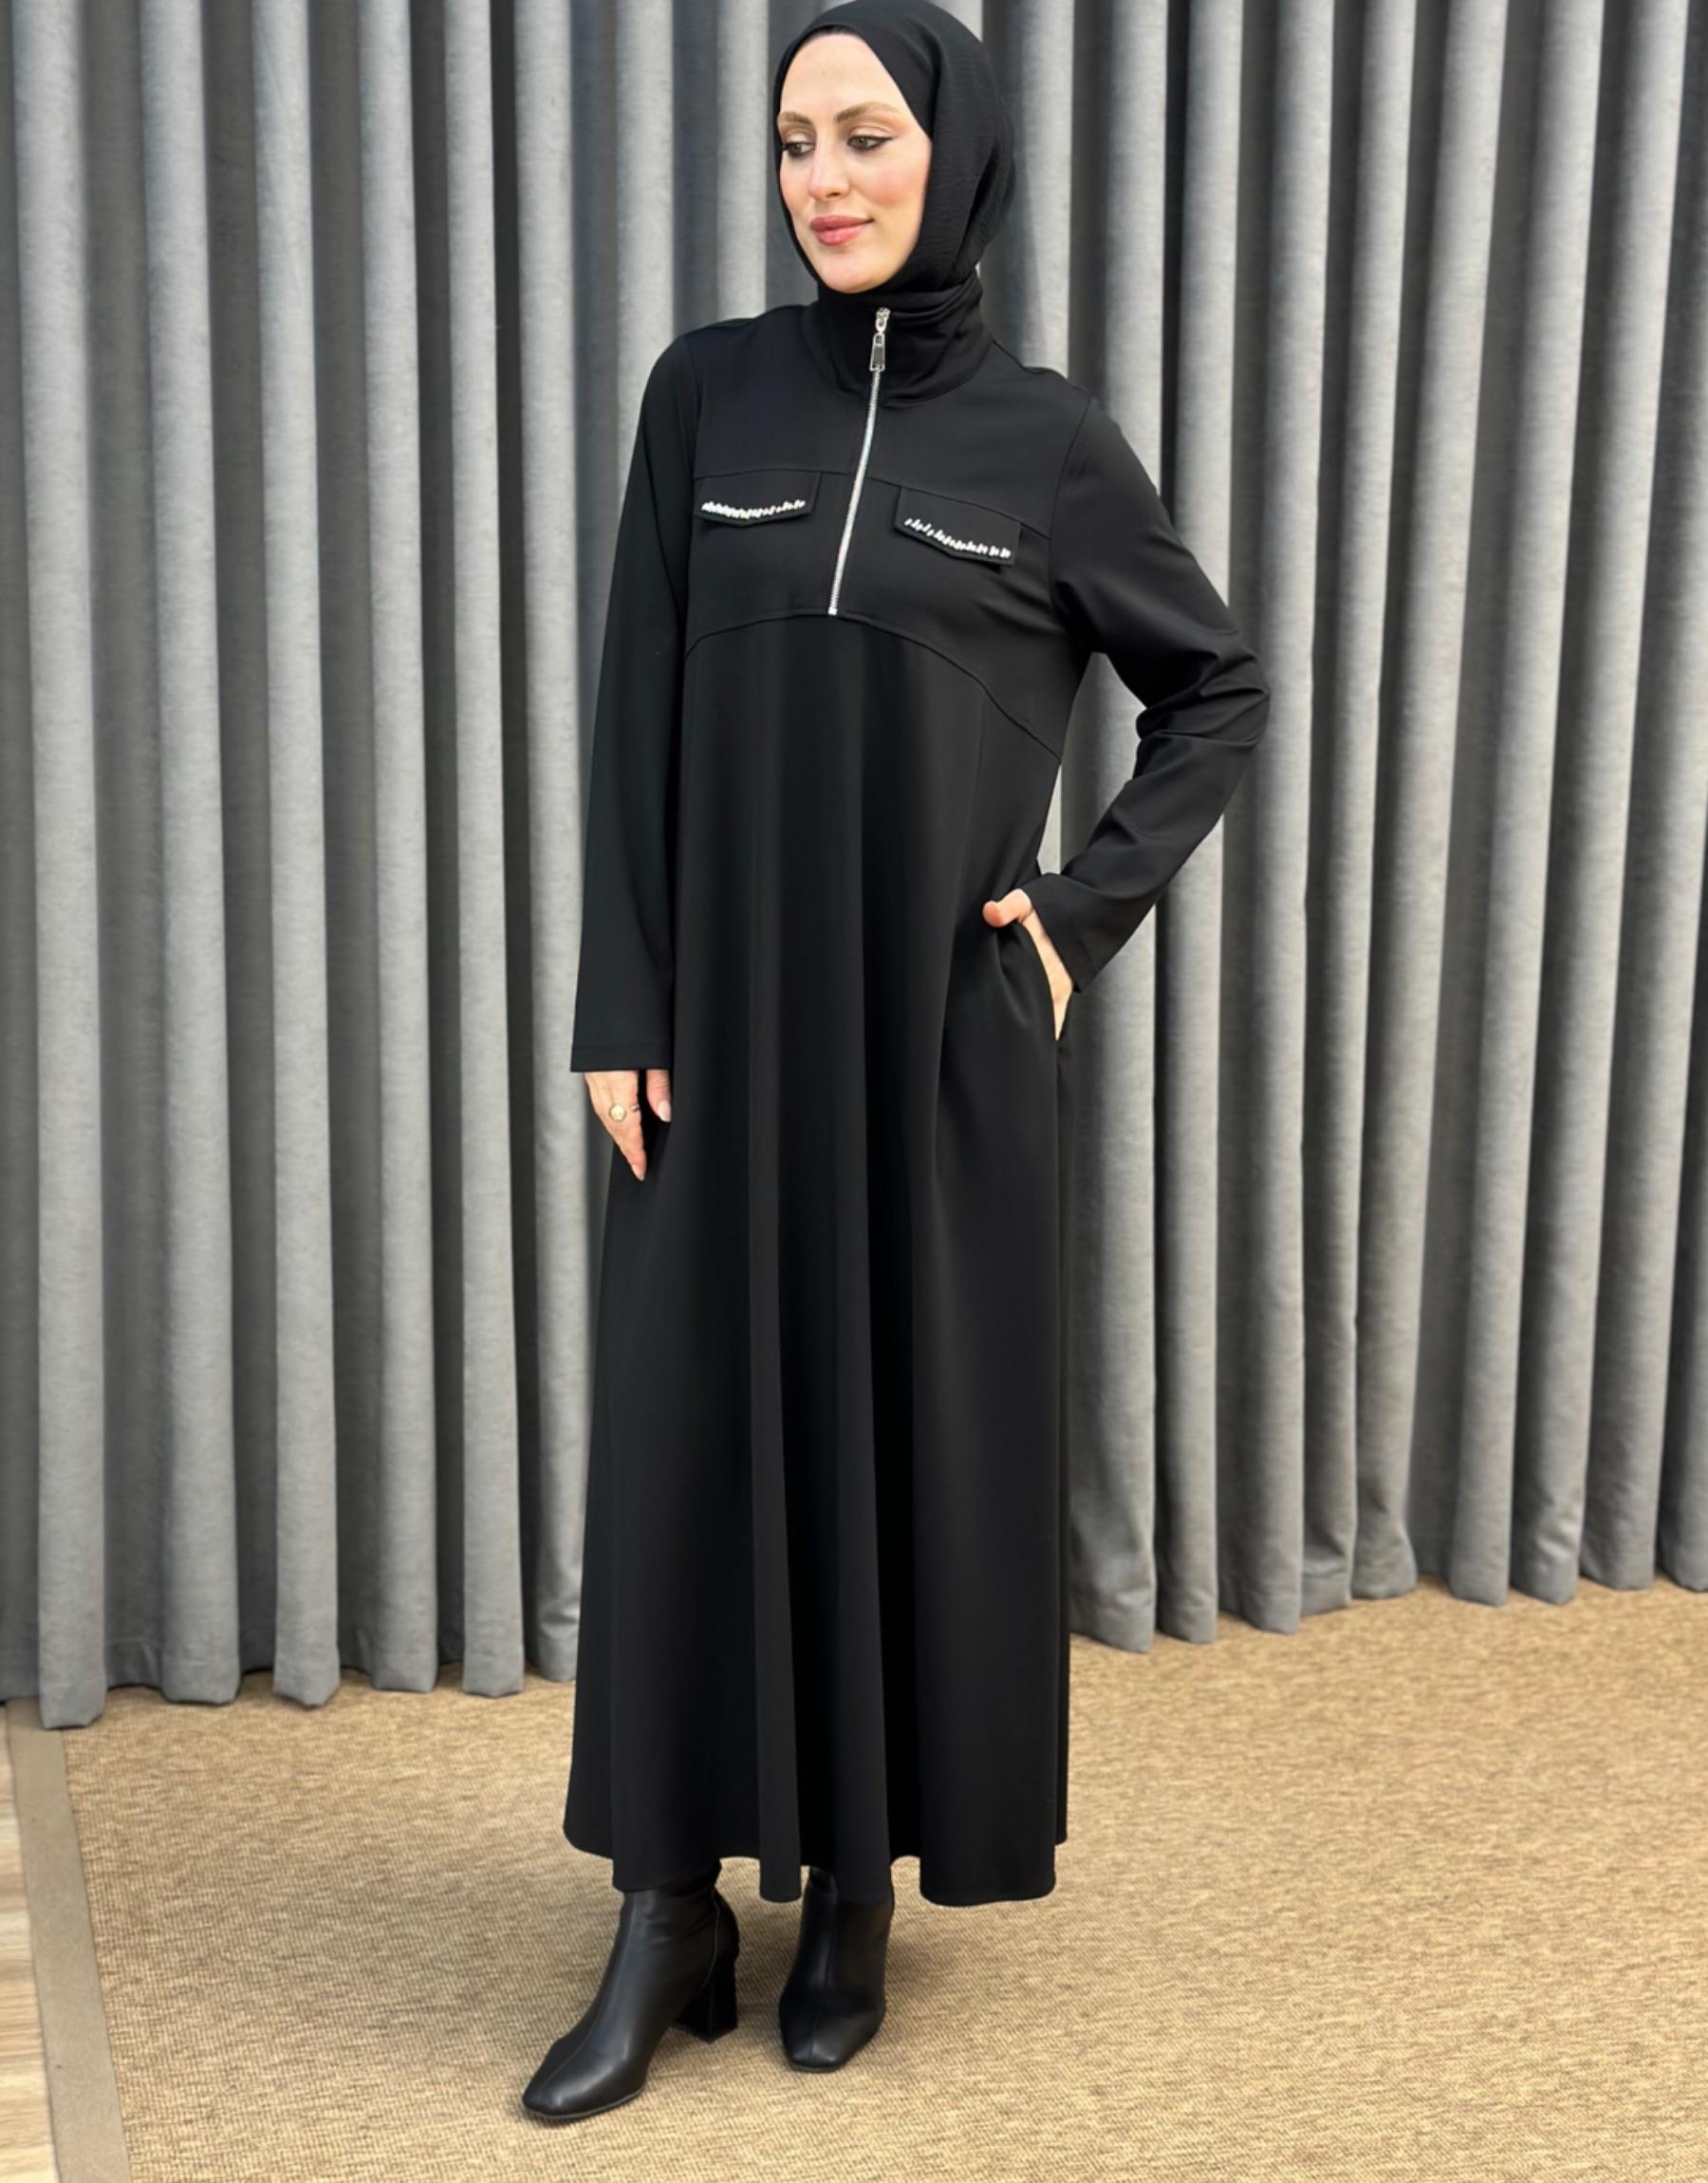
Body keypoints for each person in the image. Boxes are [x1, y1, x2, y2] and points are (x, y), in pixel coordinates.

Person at [523, 0, 1270, 2125]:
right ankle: (668, 1909)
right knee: (687, 1449)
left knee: (901, 1446)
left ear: (952, 154)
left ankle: (855, 1888)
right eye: (794, 141)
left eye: (864, 134)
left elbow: (1214, 687)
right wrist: (619, 1004)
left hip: (937, 1049)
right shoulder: (706, 392)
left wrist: (1078, 917)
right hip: (711, 1043)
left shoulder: (1046, 446)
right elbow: (635, 714)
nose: (824, 179)